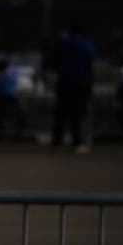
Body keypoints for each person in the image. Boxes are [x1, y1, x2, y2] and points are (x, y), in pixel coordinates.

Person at [51, 24, 96, 153]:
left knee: (60, 112)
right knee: (78, 113)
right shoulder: (85, 45)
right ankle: (77, 143)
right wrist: (90, 83)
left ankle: (57, 142)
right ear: (81, 33)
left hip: (63, 81)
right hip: (79, 82)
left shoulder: (61, 44)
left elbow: (54, 62)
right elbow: (90, 65)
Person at [0, 59, 26, 136]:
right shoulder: (11, 79)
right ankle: (21, 131)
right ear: (7, 69)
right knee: (21, 111)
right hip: (8, 104)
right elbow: (13, 91)